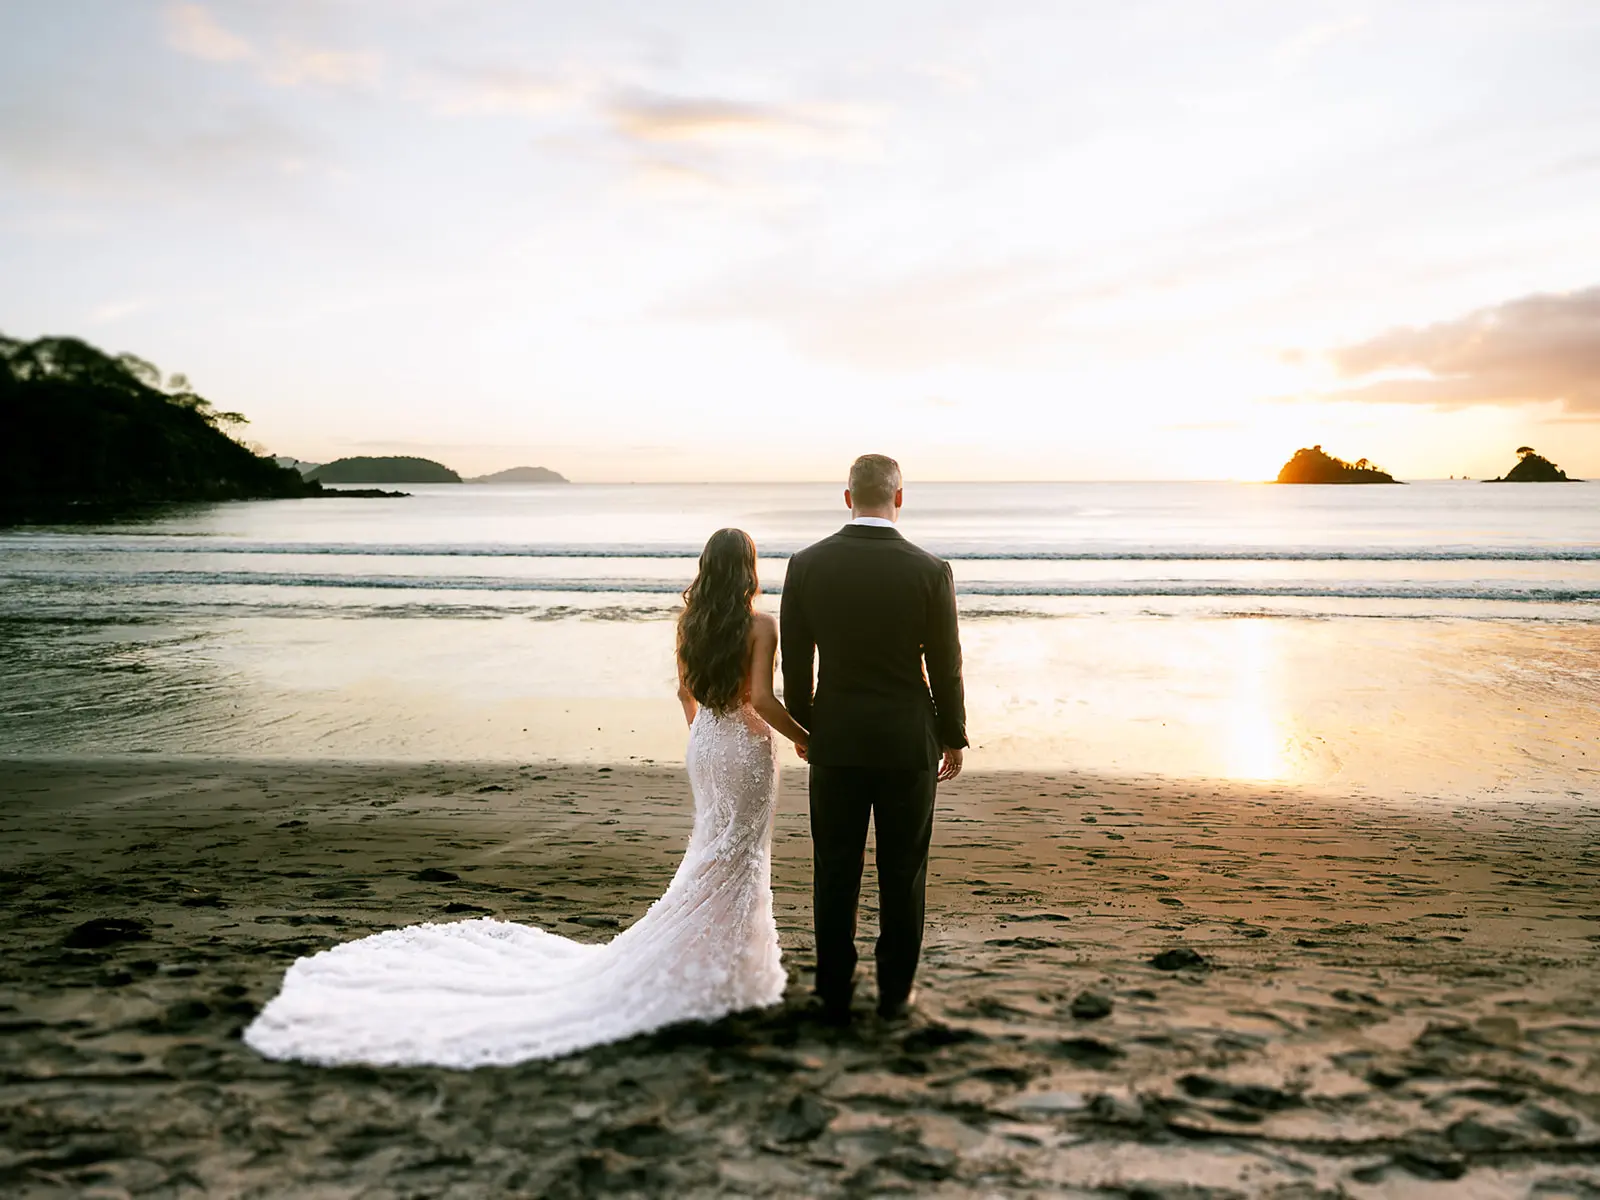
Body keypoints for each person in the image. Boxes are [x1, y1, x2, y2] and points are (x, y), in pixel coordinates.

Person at [242, 528, 808, 1067]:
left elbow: (685, 691)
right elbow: (759, 697)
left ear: (707, 569)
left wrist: (702, 738)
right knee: (738, 856)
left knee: (712, 849)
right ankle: (726, 970)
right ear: (748, 570)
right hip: (743, 745)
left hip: (706, 742)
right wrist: (805, 740)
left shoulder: (689, 621)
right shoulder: (761, 624)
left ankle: (712, 963)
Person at [780, 453, 968, 1023]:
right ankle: (894, 993)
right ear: (899, 498)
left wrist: (809, 728)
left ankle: (833, 990)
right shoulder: (929, 570)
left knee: (834, 867)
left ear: (847, 498)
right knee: (903, 870)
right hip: (907, 740)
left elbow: (796, 662)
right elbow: (946, 664)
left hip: (836, 738)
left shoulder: (807, 564)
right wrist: (953, 734)